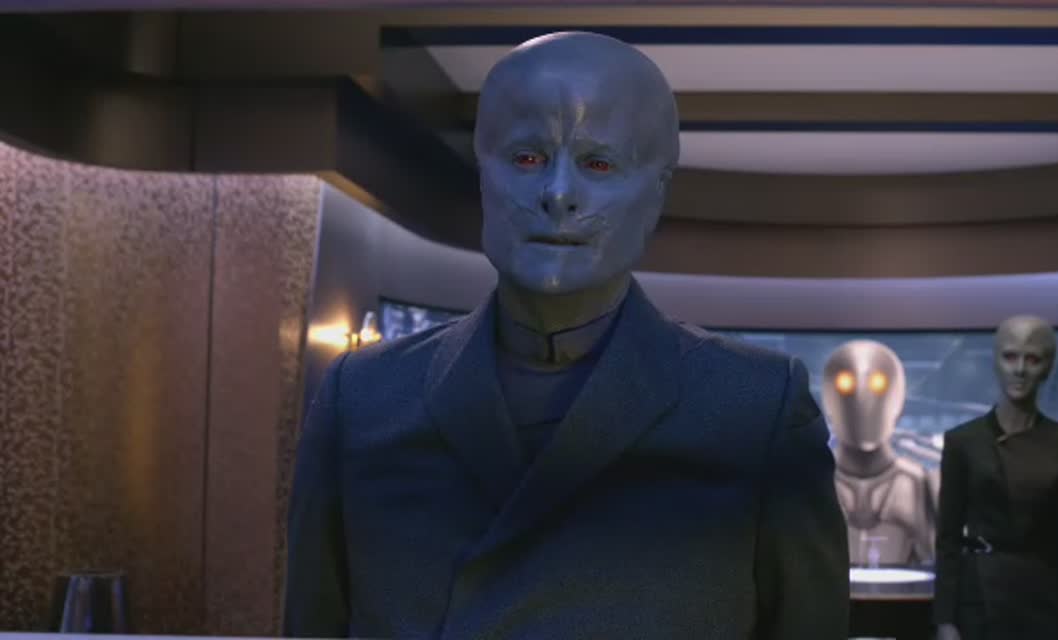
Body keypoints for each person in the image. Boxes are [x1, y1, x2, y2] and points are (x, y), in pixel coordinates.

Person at [281, 31, 848, 639]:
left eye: (598, 163)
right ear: (483, 174)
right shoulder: (363, 400)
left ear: (656, 193)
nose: (557, 194)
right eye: (527, 158)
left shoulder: (755, 412)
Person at [934, 316, 1058, 640]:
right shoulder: (963, 442)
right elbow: (948, 539)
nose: (1019, 369)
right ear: (996, 361)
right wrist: (945, 620)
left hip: (1045, 605)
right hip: (979, 604)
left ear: (1047, 368)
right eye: (1010, 356)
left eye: (1032, 359)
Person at [822, 340, 935, 566]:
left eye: (878, 385)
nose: (862, 397)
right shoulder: (809, 483)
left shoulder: (920, 485)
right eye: (846, 384)